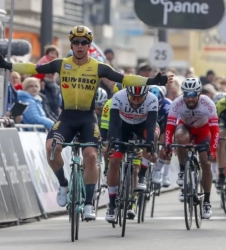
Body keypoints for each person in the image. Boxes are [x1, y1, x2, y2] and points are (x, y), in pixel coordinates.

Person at [0, 25, 171, 221]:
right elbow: (32, 68)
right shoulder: (61, 64)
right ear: (72, 45)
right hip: (66, 118)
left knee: (90, 155)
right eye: (75, 42)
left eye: (84, 43)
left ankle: (89, 203)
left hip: (87, 119)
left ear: (89, 46)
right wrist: (7, 65)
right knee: (50, 148)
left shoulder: (98, 67)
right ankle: (63, 184)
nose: (79, 46)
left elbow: (125, 78)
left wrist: (151, 81)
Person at [164, 78, 219, 219]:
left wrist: (212, 150)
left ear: (199, 94)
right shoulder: (177, 103)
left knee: (205, 162)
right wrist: (168, 146)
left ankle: (206, 201)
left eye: (193, 94)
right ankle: (183, 171)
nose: (189, 98)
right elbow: (170, 127)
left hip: (203, 131)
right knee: (180, 138)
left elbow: (215, 130)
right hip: (186, 128)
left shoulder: (207, 103)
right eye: (186, 94)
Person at [105, 86, 160, 222]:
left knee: (154, 136)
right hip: (122, 127)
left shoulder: (152, 99)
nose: (135, 101)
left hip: (143, 125)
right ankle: (112, 204)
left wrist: (150, 147)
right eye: (132, 97)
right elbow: (113, 123)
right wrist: (112, 142)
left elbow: (151, 125)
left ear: (145, 95)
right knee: (114, 161)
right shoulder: (119, 96)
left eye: (139, 98)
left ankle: (142, 175)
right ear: (127, 94)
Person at [150, 85, 173, 187]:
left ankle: (160, 172)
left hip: (164, 125)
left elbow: (170, 126)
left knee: (167, 144)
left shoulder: (168, 105)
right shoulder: (145, 102)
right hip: (150, 124)